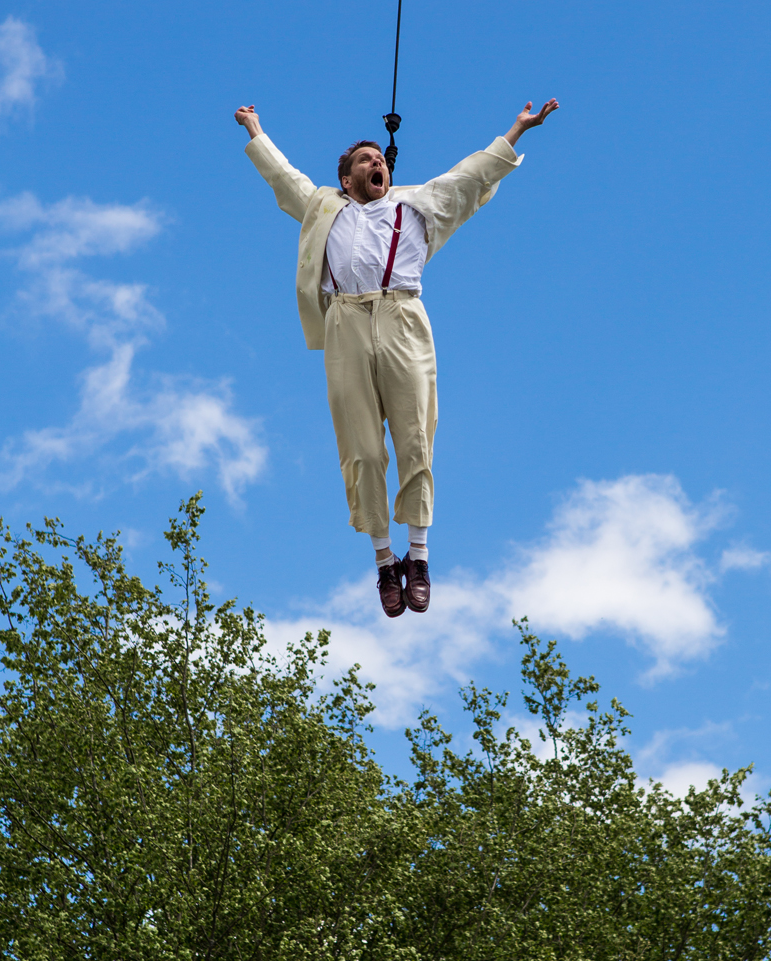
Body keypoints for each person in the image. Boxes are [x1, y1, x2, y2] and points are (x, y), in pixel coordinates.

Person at [235, 99, 558, 618]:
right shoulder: (323, 207)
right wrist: (254, 128)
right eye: (362, 160)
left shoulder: (417, 206)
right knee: (361, 448)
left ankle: (421, 555)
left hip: (403, 317)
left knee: (414, 436)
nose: (372, 163)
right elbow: (283, 176)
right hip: (344, 324)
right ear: (345, 178)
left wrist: (517, 130)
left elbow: (470, 177)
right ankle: (386, 562)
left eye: (376, 158)